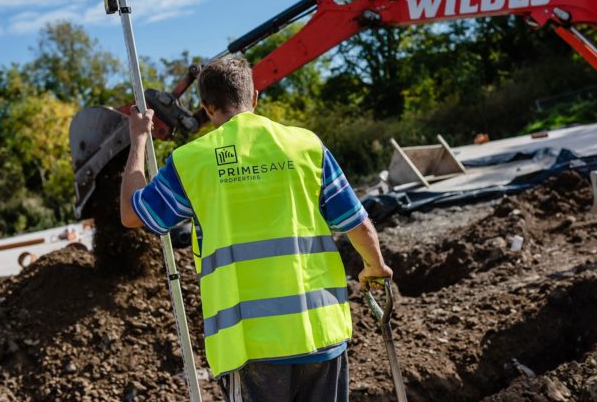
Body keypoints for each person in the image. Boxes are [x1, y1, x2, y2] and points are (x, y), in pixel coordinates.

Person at [120, 54, 393, 402]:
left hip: (250, 344)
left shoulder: (192, 161)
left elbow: (131, 214)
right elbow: (356, 221)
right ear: (255, 97)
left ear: (205, 107)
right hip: (320, 334)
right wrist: (375, 266)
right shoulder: (305, 144)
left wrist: (139, 140)